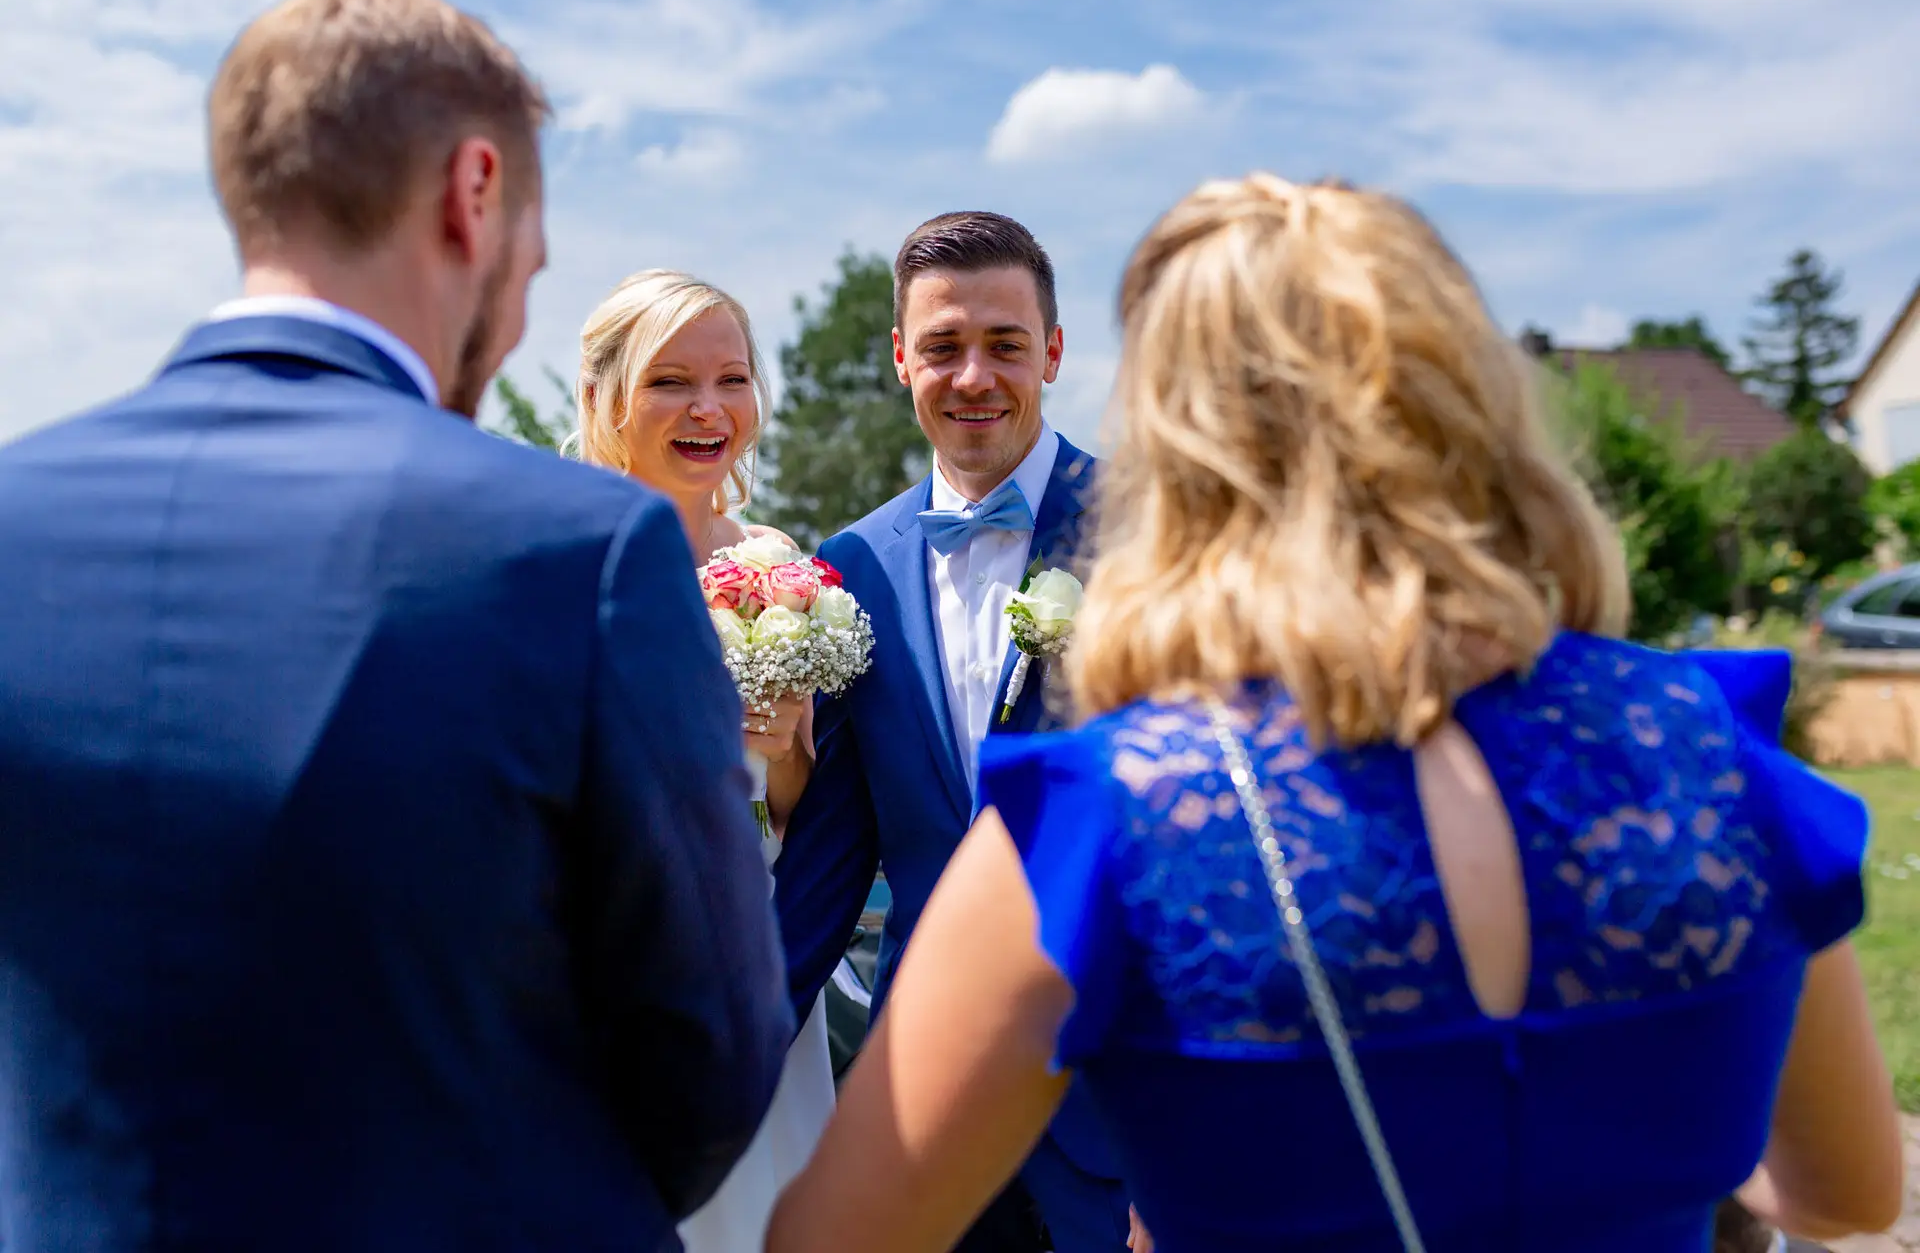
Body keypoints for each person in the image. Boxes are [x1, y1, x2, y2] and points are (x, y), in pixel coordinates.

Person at [768, 175, 1906, 1253]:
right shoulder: (1710, 742)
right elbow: (1851, 1190)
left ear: (1181, 440)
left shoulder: (1101, 814)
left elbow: (832, 1236)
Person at [0, 0, 790, 1250]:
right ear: (473, 192)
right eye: (529, 261)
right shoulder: (581, 551)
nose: (519, 307)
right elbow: (712, 1063)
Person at [774, 212, 1133, 1252]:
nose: (973, 374)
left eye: (1005, 345)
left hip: (1117, 1107)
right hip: (921, 1113)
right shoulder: (849, 569)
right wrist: (705, 1083)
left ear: (1053, 353)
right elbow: (828, 869)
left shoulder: (1157, 536)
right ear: (900, 358)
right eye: (942, 346)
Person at [570, 269, 834, 1252]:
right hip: (604, 959)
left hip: (752, 963)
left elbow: (803, 809)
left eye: (732, 378)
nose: (708, 408)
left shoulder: (773, 560)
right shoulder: (562, 549)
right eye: (672, 380)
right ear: (606, 397)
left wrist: (783, 744)